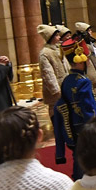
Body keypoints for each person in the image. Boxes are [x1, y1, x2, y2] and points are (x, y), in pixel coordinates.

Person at [54, 36, 96, 181]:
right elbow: (88, 108)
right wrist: (95, 126)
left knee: (77, 156)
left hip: (70, 127)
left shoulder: (66, 80)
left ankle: (78, 180)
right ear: (80, 60)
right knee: (88, 158)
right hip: (84, 127)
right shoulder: (84, 81)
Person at [37, 24, 68, 165]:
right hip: (55, 93)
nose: (58, 37)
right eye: (56, 35)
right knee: (57, 117)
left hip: (64, 87)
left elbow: (66, 67)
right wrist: (57, 91)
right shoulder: (45, 53)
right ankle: (59, 150)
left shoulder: (58, 49)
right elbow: (48, 74)